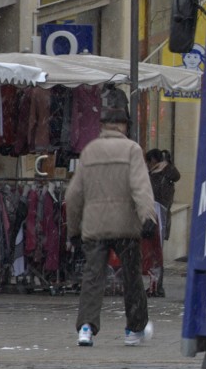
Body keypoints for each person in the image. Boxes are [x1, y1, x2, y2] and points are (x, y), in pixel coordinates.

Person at [66, 95, 158, 348]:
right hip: (125, 226)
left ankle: (86, 327)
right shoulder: (132, 150)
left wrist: (73, 229)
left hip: (94, 226)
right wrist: (148, 216)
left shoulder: (90, 151)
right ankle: (134, 328)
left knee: (93, 277)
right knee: (131, 277)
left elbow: (73, 195)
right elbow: (140, 187)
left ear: (103, 126)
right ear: (124, 126)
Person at [145, 148, 181, 298]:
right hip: (152, 216)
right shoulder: (153, 175)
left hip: (159, 218)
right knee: (153, 253)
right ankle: (154, 285)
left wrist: (166, 164)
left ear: (153, 160)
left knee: (156, 253)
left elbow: (176, 175)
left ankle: (157, 286)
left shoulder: (165, 174)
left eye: (148, 161)